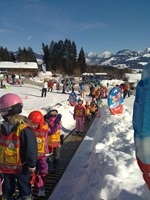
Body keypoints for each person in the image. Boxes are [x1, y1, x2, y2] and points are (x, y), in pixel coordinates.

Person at [0, 93, 37, 200]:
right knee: (7, 188)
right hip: (6, 168)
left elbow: (31, 148)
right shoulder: (3, 127)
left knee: (23, 186)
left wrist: (31, 164)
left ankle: (25, 197)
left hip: (22, 167)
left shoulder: (24, 129)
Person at [28, 110, 49, 197]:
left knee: (42, 171)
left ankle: (41, 187)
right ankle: (30, 188)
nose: (33, 126)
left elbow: (52, 130)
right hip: (32, 155)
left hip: (42, 155)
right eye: (31, 123)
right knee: (31, 172)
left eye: (35, 124)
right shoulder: (28, 130)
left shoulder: (45, 129)